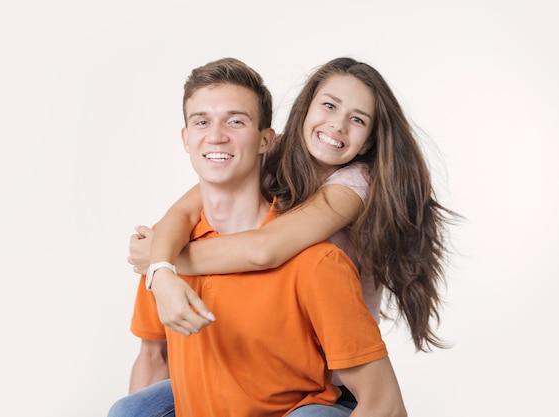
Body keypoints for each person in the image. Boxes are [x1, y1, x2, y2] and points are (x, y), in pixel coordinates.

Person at [127, 56, 460, 412]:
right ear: (304, 110)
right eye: (329, 106)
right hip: (257, 362)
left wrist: (164, 264)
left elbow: (266, 249)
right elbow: (185, 208)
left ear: (367, 142)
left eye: (357, 119)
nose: (338, 125)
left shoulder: (355, 184)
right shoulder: (272, 151)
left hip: (331, 375)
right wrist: (161, 269)